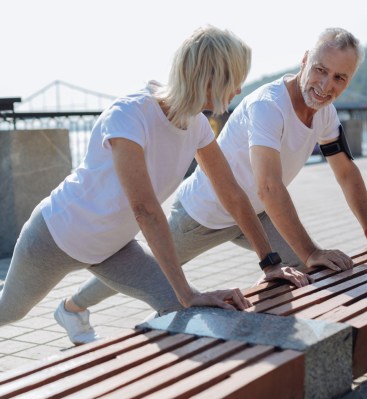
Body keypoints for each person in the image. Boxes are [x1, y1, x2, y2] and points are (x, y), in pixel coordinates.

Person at [55, 27, 367, 345]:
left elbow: (345, 170)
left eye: (340, 78)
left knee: (310, 272)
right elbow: (268, 185)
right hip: (203, 214)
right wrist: (311, 249)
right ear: (305, 60)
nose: (326, 86)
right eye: (321, 70)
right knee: (142, 272)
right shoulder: (269, 106)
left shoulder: (324, 111)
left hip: (256, 215)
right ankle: (72, 306)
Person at [0, 25, 312, 345]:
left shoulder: (197, 125)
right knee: (9, 312)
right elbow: (145, 210)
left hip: (113, 249)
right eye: (235, 78)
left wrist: (270, 263)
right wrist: (188, 290)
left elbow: (232, 193)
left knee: (177, 307)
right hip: (56, 236)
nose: (239, 88)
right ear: (211, 76)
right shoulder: (129, 114)